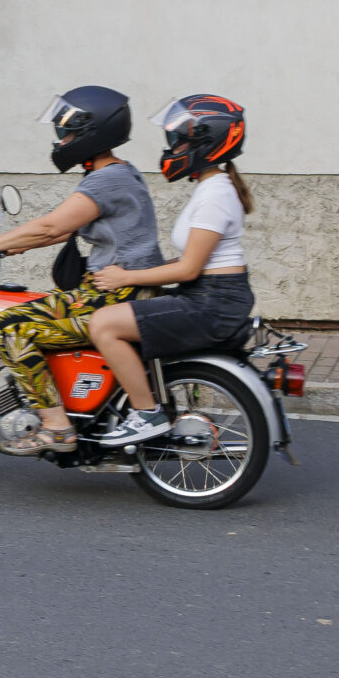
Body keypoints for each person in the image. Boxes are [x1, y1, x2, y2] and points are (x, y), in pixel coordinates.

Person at [0, 86, 164, 454]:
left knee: (10, 326)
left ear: (92, 132)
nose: (62, 140)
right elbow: (64, 229)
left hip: (112, 295)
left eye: (67, 132)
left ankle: (56, 427)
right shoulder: (120, 173)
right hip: (117, 291)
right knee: (37, 309)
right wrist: (15, 246)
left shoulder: (107, 180)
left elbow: (52, 226)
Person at [83, 95, 255, 447]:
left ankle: (146, 413)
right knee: (123, 315)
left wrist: (125, 277)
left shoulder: (216, 194)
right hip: (210, 296)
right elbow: (191, 263)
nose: (173, 147)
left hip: (213, 303)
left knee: (104, 324)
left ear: (206, 142)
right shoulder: (212, 187)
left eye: (180, 139)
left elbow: (189, 269)